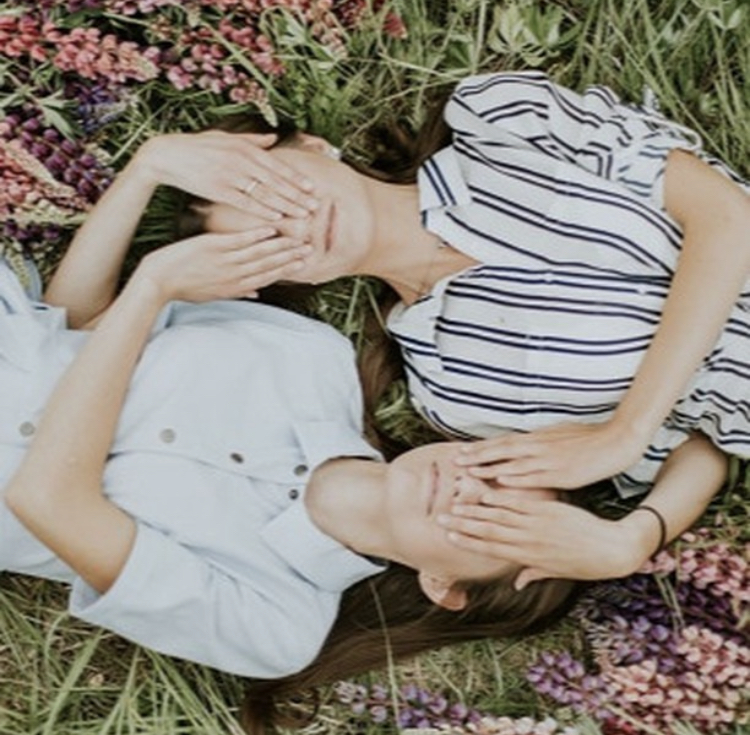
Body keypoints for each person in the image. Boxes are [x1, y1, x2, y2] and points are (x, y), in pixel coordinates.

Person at [0, 133, 577, 734]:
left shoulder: (278, 626)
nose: (465, 490)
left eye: (487, 522)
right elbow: (78, 334)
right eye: (496, 474)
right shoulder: (311, 356)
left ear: (445, 587)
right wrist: (146, 169)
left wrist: (151, 287)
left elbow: (46, 501)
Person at [177, 70, 747, 588]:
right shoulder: (452, 390)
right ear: (269, 279)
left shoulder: (499, 119)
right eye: (265, 244)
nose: (294, 224)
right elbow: (697, 443)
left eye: (271, 191)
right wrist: (636, 537)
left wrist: (625, 429)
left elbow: (726, 216)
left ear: (310, 146)